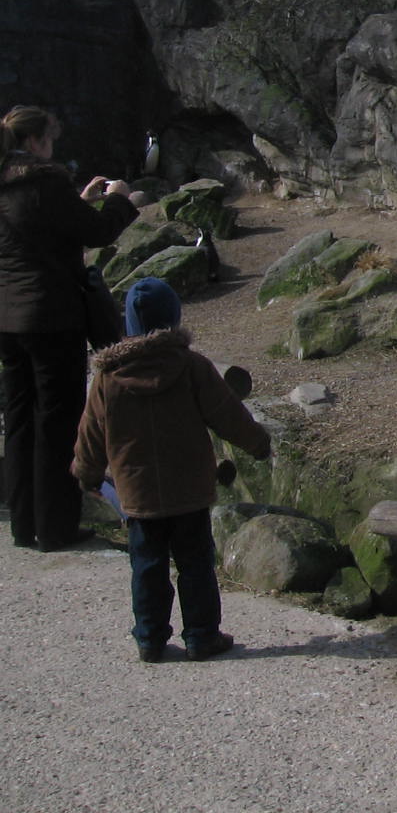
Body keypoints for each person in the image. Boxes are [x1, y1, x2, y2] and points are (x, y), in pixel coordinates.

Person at [72, 278, 271, 663]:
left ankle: (149, 638)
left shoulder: (108, 380)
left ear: (127, 323)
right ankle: (201, 635)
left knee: (147, 565)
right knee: (196, 563)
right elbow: (228, 414)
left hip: (137, 493)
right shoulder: (192, 367)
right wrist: (259, 444)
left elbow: (91, 433)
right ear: (174, 318)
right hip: (190, 489)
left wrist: (86, 473)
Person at [0, 105, 137, 551]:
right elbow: (96, 232)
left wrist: (77, 201)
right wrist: (119, 198)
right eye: (52, 139)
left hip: (7, 317)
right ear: (37, 141)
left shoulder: (9, 181)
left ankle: (24, 525)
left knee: (19, 421)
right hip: (50, 316)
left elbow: (31, 230)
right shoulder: (43, 179)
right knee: (57, 424)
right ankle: (56, 528)